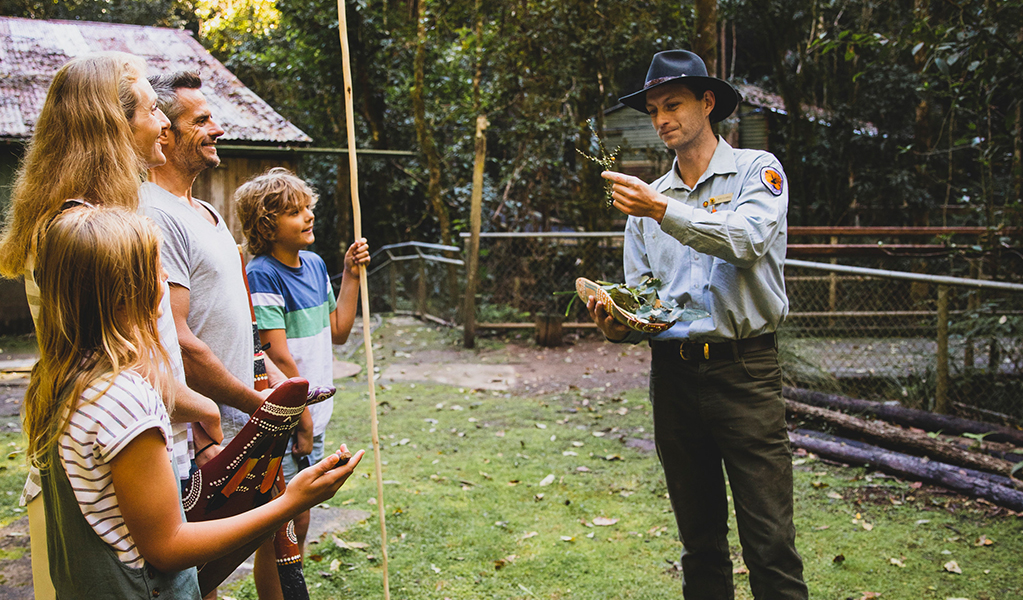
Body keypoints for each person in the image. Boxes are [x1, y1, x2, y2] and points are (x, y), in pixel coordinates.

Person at [25, 206, 364, 600]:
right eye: (155, 270)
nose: (165, 278)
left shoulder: (59, 380)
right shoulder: (125, 399)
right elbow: (168, 548)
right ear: (124, 291)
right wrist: (292, 502)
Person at [0, 52, 222, 600]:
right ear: (112, 124)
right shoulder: (92, 235)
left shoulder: (87, 219)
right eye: (152, 110)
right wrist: (204, 406)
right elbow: (119, 357)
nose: (165, 123)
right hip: (122, 457)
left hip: (135, 444)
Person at [588, 50, 808, 600]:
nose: (662, 119)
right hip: (675, 379)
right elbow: (646, 303)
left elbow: (748, 241)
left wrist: (662, 211)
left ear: (707, 103)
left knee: (770, 543)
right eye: (654, 109)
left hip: (745, 373)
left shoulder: (759, 169)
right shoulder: (648, 201)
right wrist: (617, 323)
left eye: (674, 105)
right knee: (700, 545)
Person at [140, 71, 292, 600]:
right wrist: (248, 411)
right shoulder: (153, 214)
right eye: (201, 120)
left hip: (242, 415)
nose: (217, 128)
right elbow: (177, 339)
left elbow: (234, 320)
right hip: (205, 434)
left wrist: (269, 378)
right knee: (197, 576)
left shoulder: (203, 210)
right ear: (165, 133)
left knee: (280, 537)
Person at [235, 167, 370, 557]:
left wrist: (349, 274)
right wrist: (303, 420)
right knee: (280, 525)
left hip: (314, 415)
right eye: (295, 212)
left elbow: (339, 330)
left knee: (302, 517)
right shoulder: (262, 274)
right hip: (289, 418)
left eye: (307, 208)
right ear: (266, 225)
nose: (308, 216)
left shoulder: (312, 264)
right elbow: (277, 355)